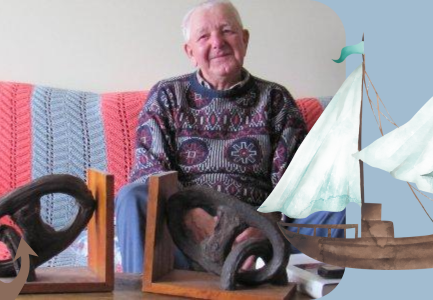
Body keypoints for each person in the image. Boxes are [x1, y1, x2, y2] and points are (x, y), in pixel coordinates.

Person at [115, 0, 343, 273]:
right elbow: (150, 173)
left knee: (346, 210)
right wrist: (189, 215)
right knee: (133, 197)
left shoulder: (275, 99)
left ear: (244, 39)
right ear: (190, 51)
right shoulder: (167, 96)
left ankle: (257, 265)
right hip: (185, 234)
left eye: (227, 31)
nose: (217, 42)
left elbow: (296, 188)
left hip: (260, 236)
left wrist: (263, 228)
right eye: (204, 36)